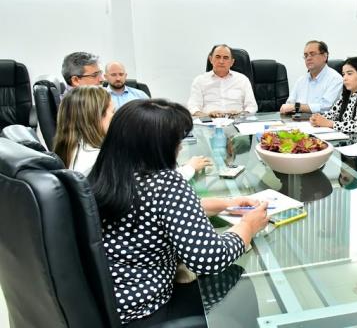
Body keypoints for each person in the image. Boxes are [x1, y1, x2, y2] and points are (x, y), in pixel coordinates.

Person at [88, 99, 269, 325]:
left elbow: (154, 210)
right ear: (155, 146)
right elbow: (210, 258)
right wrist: (248, 226)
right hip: (146, 309)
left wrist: (226, 203)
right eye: (176, 141)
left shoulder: (106, 173)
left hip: (108, 305)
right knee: (239, 281)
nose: (181, 147)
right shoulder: (166, 183)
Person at [54, 86, 210, 179]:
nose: (117, 118)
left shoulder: (72, 149)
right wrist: (189, 168)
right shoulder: (98, 160)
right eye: (112, 112)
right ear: (94, 117)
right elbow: (152, 188)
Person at [310, 57, 357, 138]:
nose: (344, 78)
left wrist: (330, 123)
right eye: (343, 74)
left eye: (349, 73)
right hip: (348, 138)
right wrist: (317, 119)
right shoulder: (348, 93)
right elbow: (333, 113)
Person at [53, 86, 115, 176]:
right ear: (96, 117)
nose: (115, 116)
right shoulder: (98, 160)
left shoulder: (69, 150)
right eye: (113, 111)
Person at [187, 44, 257, 117]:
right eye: (217, 57)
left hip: (237, 121)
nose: (221, 61)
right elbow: (193, 107)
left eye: (226, 58)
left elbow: (252, 106)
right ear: (211, 59)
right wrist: (207, 116)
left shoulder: (242, 80)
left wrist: (241, 114)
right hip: (209, 123)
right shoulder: (199, 80)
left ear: (232, 62)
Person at [280, 40, 343, 114]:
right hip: (298, 122)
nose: (308, 58)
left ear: (325, 56)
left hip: (323, 123)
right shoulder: (301, 80)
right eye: (306, 55)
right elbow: (289, 104)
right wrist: (287, 108)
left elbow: (326, 107)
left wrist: (297, 107)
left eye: (312, 54)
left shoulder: (335, 79)